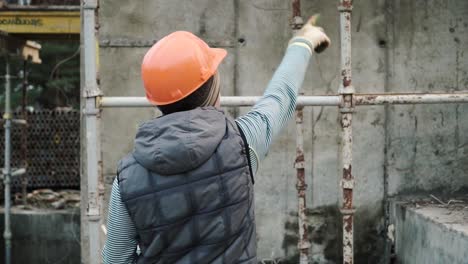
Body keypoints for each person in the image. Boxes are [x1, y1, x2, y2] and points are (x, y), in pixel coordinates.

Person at [102, 16, 330, 264]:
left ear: (155, 98)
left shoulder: (127, 179)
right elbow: (280, 96)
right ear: (212, 85)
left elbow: (116, 259)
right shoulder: (242, 141)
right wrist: (303, 41)